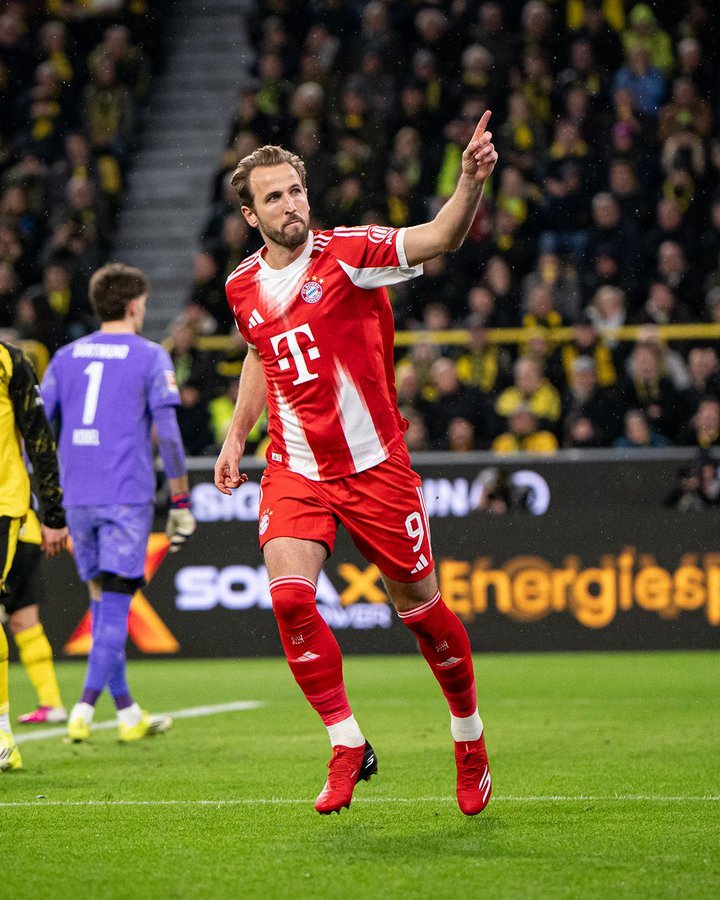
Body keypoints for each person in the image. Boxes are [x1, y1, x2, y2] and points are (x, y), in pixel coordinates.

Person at [214, 111, 498, 817]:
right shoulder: (241, 286)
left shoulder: (350, 253)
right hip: (296, 467)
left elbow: (441, 237)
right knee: (289, 598)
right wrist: (236, 435)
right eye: (274, 197)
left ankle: (469, 737)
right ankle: (347, 743)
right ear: (251, 215)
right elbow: (259, 352)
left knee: (422, 613)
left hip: (375, 468)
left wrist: (469, 183)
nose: (291, 205)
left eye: (295, 191)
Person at [41, 263, 197, 744]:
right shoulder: (150, 356)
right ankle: (84, 709)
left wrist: (44, 496)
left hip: (77, 497)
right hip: (125, 495)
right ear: (133, 306)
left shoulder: (65, 356)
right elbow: (169, 435)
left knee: (102, 602)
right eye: (144, 305)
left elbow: (38, 429)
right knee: (114, 605)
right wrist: (180, 498)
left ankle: (127, 712)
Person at [0, 340, 68, 771]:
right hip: (18, 514)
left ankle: (2, 733)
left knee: (21, 616)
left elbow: (39, 437)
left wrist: (53, 512)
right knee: (23, 616)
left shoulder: (9, 360)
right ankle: (48, 703)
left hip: (6, 508)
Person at [2, 501, 66, 725]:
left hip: (7, 527)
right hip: (27, 531)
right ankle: (52, 702)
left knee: (24, 620)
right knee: (24, 620)